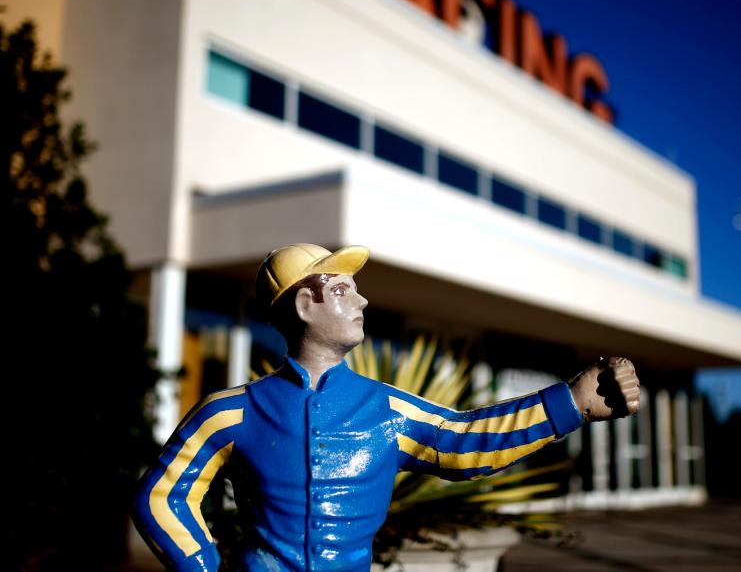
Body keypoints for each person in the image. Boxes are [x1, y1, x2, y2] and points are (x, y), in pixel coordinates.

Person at [133, 243, 641, 571]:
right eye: (341, 290)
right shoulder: (230, 411)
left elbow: (463, 444)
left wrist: (572, 401)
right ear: (305, 307)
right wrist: (204, 569)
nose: (362, 301)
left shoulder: (387, 408)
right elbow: (159, 498)